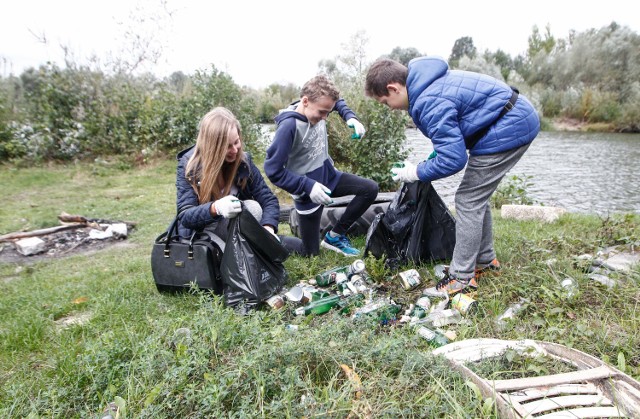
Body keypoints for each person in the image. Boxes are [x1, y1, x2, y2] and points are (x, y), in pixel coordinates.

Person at [365, 56, 540, 295]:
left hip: (509, 126)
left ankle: (461, 277)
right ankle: (485, 261)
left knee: (468, 200)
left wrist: (414, 172)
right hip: (512, 117)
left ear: (393, 88)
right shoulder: (427, 84)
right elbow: (453, 136)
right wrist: (426, 162)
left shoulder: (427, 101)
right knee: (476, 197)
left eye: (386, 102)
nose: (391, 108)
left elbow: (454, 160)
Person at [264, 74, 379, 257]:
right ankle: (269, 237)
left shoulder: (318, 105)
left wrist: (350, 117)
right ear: (305, 101)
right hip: (309, 193)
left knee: (370, 189)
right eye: (322, 112)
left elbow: (337, 102)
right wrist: (307, 187)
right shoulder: (288, 127)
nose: (325, 117)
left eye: (328, 112)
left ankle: (334, 237)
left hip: (329, 177)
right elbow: (273, 171)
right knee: (310, 253)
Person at [176, 106, 303, 254]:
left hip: (236, 230)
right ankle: (250, 249)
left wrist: (268, 227)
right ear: (213, 147)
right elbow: (185, 216)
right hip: (203, 237)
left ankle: (256, 245)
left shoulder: (243, 161)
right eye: (227, 146)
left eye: (236, 142)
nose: (235, 150)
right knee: (253, 210)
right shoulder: (189, 166)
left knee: (300, 246)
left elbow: (268, 199)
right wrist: (215, 208)